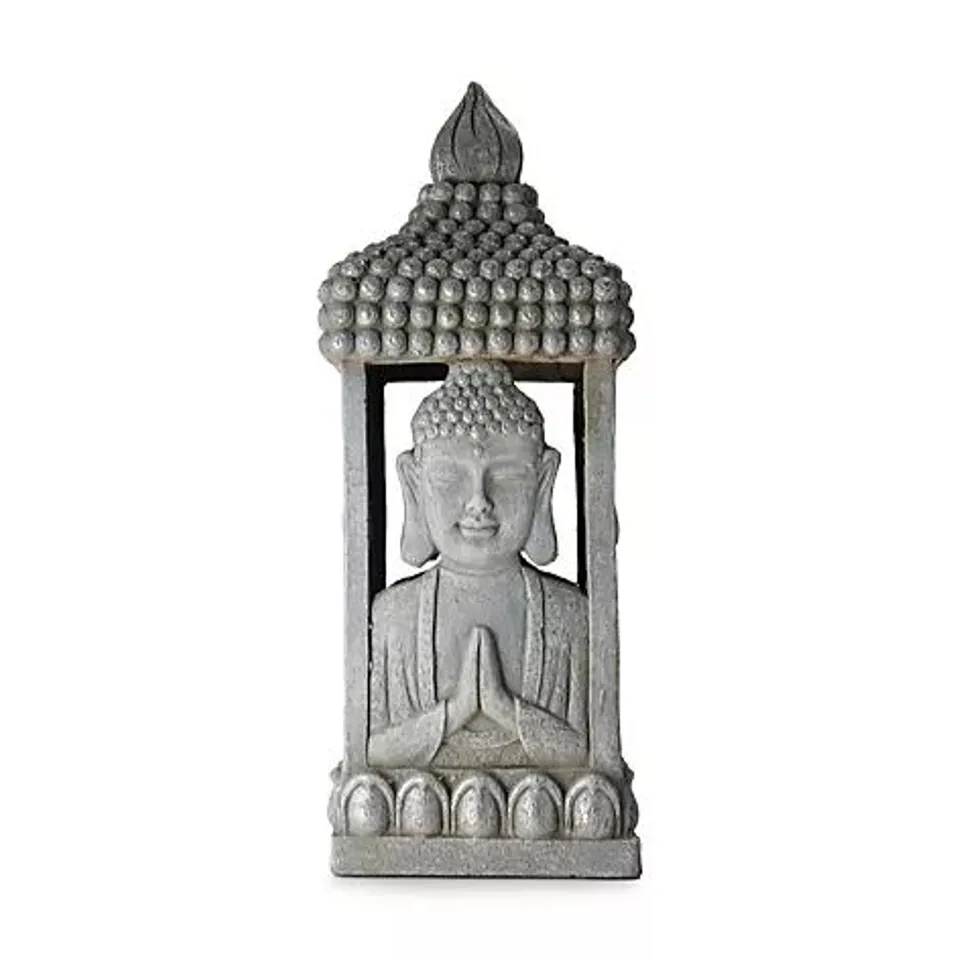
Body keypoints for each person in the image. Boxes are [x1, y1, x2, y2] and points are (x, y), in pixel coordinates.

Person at [367, 361, 588, 768]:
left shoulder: (569, 614)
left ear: (543, 482)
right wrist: (455, 712)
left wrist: (503, 708)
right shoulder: (394, 616)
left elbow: (588, 753)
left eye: (507, 477)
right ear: (414, 483)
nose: (478, 501)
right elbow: (372, 752)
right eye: (448, 478)